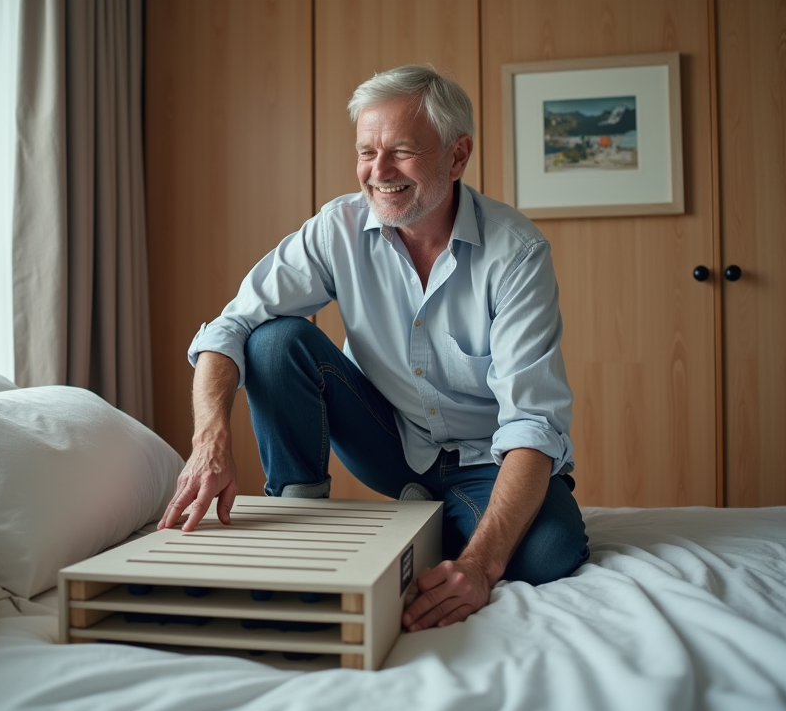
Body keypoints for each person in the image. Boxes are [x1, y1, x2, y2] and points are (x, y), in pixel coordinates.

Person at [158, 64, 589, 632]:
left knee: (549, 555)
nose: (378, 172)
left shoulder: (516, 255)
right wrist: (209, 441)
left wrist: (479, 566)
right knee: (274, 340)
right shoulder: (336, 228)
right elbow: (230, 326)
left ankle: (438, 519)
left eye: (402, 152)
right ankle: (300, 516)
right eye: (367, 152)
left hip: (488, 459)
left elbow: (533, 423)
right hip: (388, 441)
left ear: (457, 156)